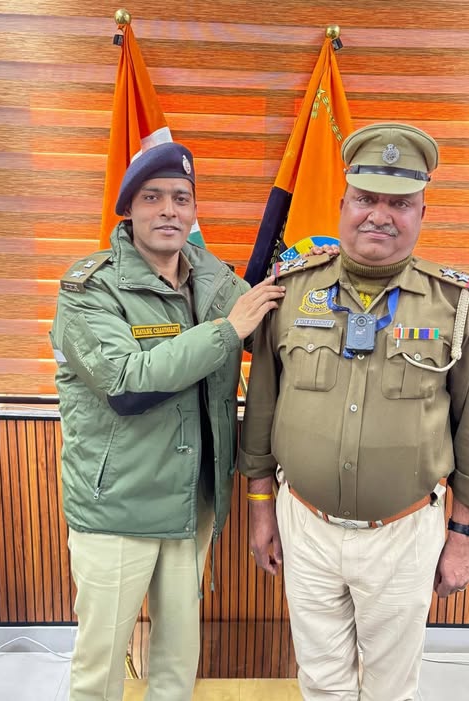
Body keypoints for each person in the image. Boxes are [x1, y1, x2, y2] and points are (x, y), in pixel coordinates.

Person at [238, 122, 469, 701]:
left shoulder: (455, 302)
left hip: (403, 535)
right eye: (365, 199)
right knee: (321, 682)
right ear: (342, 205)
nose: (379, 216)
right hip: (305, 526)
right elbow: (261, 407)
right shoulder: (291, 289)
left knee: (390, 688)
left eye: (399, 204)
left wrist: (464, 536)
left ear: (422, 214)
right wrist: (261, 510)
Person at [49, 141, 286, 701]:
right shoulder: (89, 289)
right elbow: (126, 384)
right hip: (118, 507)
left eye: (181, 198)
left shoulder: (214, 279)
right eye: (152, 197)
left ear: (194, 210)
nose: (168, 211)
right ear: (128, 209)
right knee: (99, 667)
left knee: (178, 661)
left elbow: (277, 320)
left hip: (191, 504)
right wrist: (227, 331)